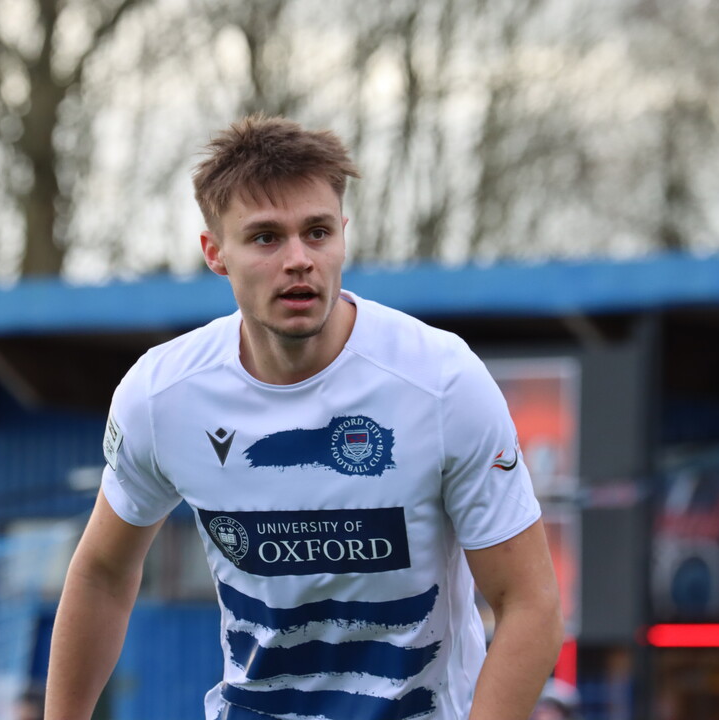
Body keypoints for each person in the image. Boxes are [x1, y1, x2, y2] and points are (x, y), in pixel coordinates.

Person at [45, 114, 563, 720]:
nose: (299, 259)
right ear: (215, 252)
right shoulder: (162, 396)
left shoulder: (442, 382)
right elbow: (103, 574)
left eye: (316, 233)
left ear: (342, 234)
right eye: (266, 237)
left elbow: (530, 602)